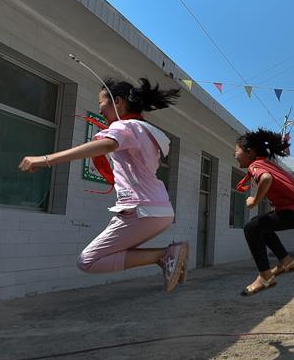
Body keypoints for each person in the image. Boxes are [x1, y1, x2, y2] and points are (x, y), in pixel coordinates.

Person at [18, 78, 188, 292]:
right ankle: (166, 257)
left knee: (88, 261)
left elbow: (107, 144)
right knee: (108, 254)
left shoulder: (123, 126)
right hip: (161, 211)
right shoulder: (146, 130)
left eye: (101, 104)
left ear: (117, 101)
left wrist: (46, 159)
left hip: (140, 210)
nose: (101, 111)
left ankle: (165, 255)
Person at [234, 128, 294, 296]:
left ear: (249, 152)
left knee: (251, 228)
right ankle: (286, 261)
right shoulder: (267, 163)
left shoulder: (255, 165)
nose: (234, 155)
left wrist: (255, 200)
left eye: (236, 152)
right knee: (261, 225)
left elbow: (266, 178)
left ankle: (265, 276)